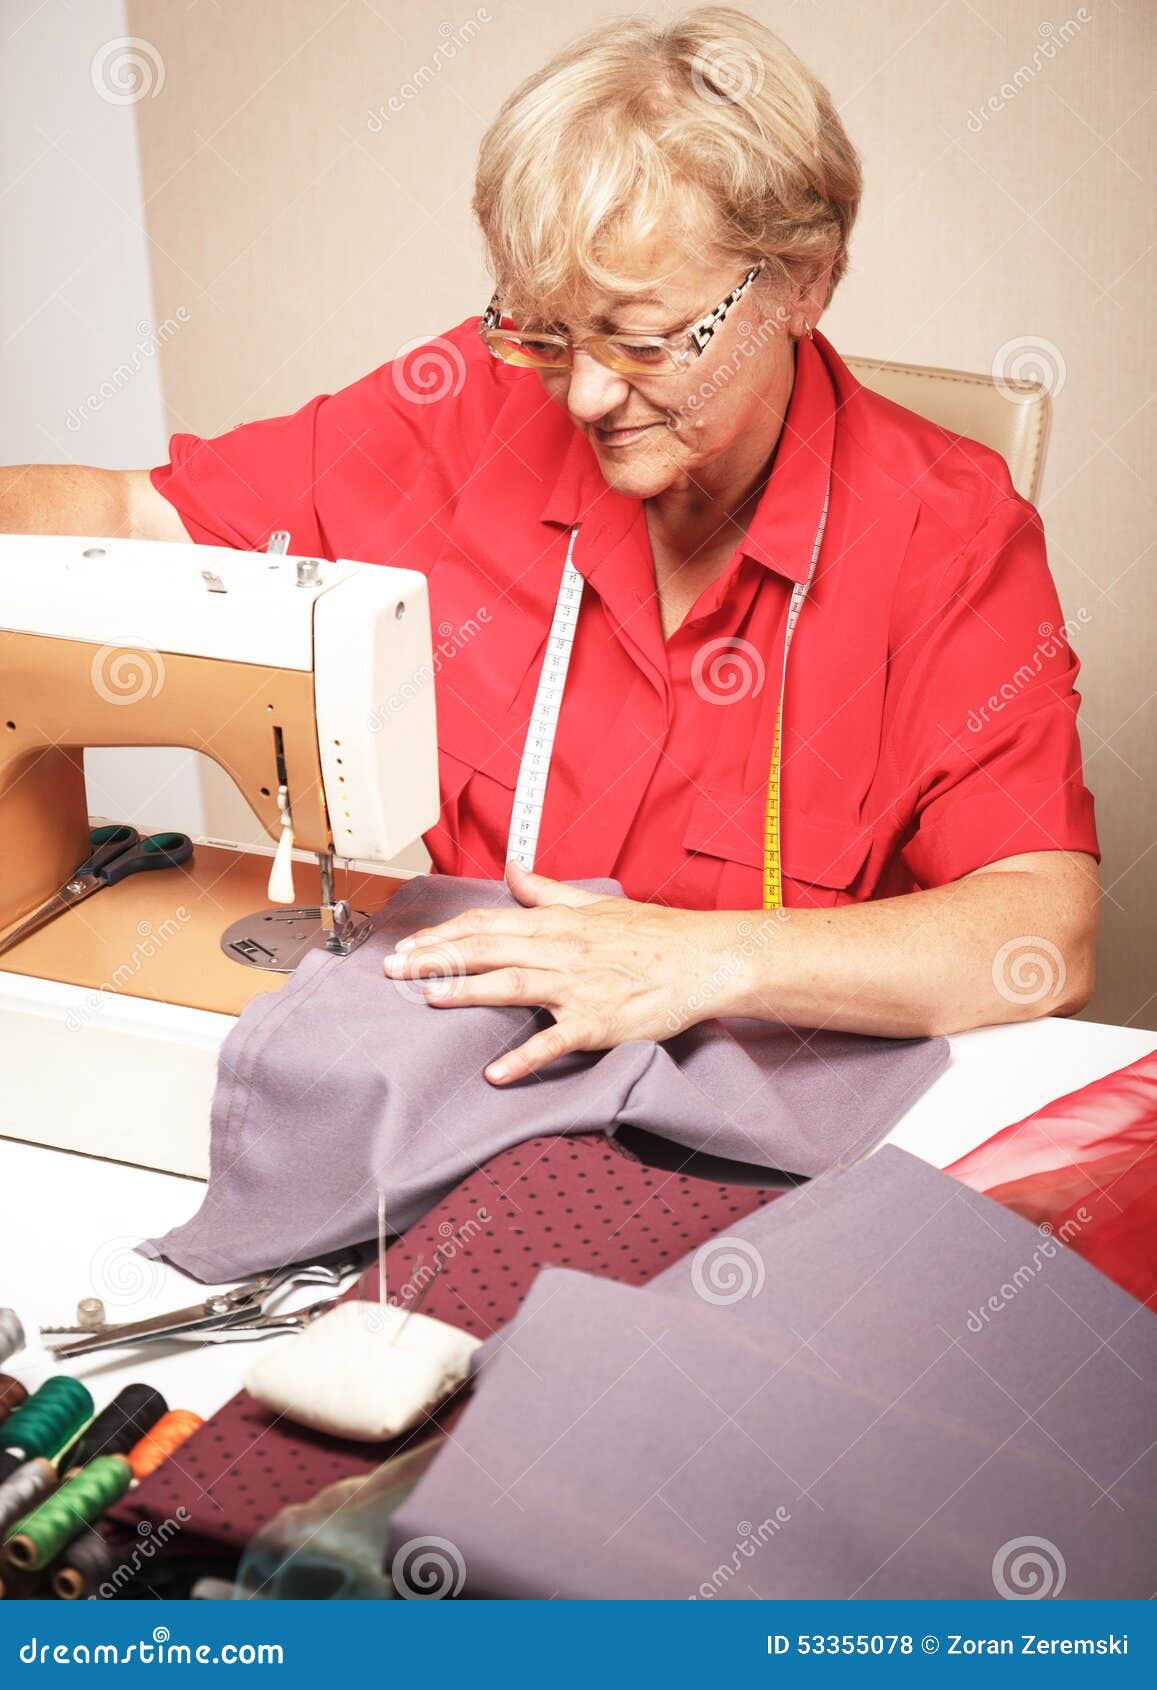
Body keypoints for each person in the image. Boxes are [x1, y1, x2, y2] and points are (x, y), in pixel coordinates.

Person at [0, 8, 1100, 1086]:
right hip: (493, 1087)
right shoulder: (466, 410)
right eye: (549, 332)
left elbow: (1037, 931)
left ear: (804, 280)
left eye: (641, 339)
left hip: (784, 1129)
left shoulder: (943, 529)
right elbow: (135, 519)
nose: (583, 393)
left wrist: (696, 959)